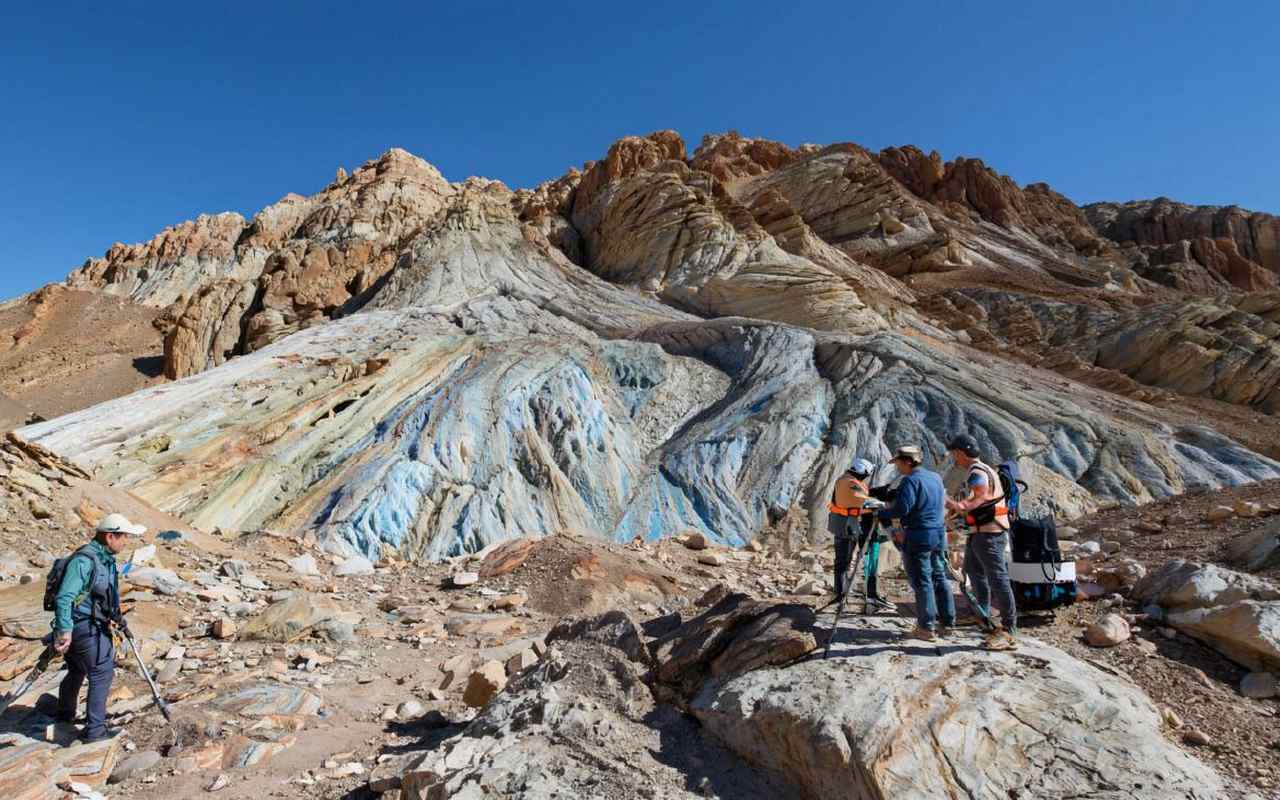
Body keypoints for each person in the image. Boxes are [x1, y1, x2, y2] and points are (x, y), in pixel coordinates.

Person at [51, 512, 146, 742]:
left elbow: (105, 596)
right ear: (109, 536)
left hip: (85, 625)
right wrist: (64, 631)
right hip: (84, 627)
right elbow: (64, 598)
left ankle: (65, 716)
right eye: (123, 536)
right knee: (102, 673)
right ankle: (95, 731)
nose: (126, 542)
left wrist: (118, 618)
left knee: (77, 669)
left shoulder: (104, 559)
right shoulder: (85, 561)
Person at [944, 434, 1017, 651]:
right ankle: (981, 615)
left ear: (960, 452)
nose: (953, 457)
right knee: (973, 572)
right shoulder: (983, 469)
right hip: (981, 532)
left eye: (954, 453)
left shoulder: (977, 472)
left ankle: (1009, 629)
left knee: (997, 579)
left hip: (990, 533)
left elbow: (980, 497)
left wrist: (958, 505)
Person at [878, 445, 954, 641]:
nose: (898, 468)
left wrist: (879, 511)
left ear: (908, 462)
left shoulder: (910, 481)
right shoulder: (935, 477)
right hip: (938, 534)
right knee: (939, 576)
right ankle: (947, 623)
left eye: (899, 464)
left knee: (922, 581)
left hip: (919, 534)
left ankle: (926, 627)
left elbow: (902, 510)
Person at [826, 459, 892, 608]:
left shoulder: (849, 480)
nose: (867, 477)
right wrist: (882, 504)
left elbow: (863, 496)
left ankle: (849, 594)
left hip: (850, 523)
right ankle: (842, 595)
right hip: (847, 525)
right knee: (844, 561)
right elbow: (861, 500)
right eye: (867, 474)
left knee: (846, 561)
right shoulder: (847, 482)